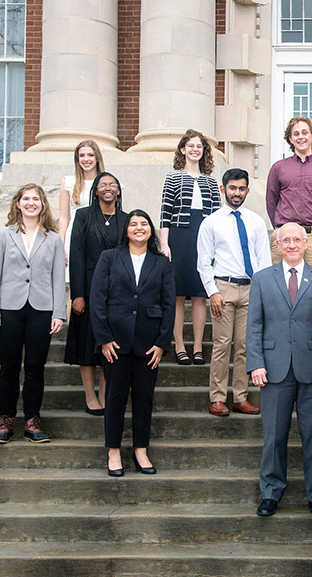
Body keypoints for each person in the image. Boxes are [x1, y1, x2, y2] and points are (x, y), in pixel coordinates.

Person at [247, 223, 312, 517]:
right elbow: (254, 327)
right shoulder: (261, 280)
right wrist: (256, 363)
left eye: (296, 239)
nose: (291, 244)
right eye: (285, 240)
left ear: (306, 242)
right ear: (278, 243)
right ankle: (271, 493)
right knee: (273, 436)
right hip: (273, 370)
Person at [91, 209, 175, 477]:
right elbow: (97, 300)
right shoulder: (109, 258)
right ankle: (113, 450)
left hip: (149, 345)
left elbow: (169, 305)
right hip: (115, 342)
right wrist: (104, 338)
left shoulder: (161, 262)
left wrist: (162, 343)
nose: (139, 228)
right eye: (133, 224)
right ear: (126, 230)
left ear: (151, 230)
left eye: (144, 224)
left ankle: (141, 449)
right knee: (114, 398)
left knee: (144, 399)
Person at [0, 184, 66, 444]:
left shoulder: (53, 238)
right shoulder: (2, 235)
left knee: (34, 368)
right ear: (18, 203)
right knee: (8, 367)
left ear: (43, 204)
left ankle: (32, 422)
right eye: (26, 199)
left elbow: (57, 278)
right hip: (9, 309)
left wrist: (59, 312)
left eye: (36, 199)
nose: (31, 203)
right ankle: (5, 421)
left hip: (41, 310)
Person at [197, 168, 271, 417]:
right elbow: (203, 261)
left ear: (247, 191)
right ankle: (217, 398)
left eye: (241, 188)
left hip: (251, 288)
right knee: (222, 344)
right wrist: (212, 291)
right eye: (232, 188)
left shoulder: (255, 221)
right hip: (223, 288)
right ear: (223, 189)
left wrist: (262, 291)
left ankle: (240, 397)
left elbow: (263, 259)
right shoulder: (211, 222)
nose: (237, 193)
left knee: (244, 345)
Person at [64, 172, 126, 415]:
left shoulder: (126, 218)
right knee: (86, 345)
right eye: (103, 185)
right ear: (96, 190)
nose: (108, 188)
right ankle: (90, 394)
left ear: (118, 191)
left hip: (117, 294)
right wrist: (77, 294)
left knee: (110, 347)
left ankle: (104, 393)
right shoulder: (83, 216)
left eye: (113, 184)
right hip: (88, 292)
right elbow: (76, 254)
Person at [159, 129, 221, 366]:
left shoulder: (211, 181)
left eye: (200, 146)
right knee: (177, 294)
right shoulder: (172, 178)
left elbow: (217, 217)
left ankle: (197, 346)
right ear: (183, 149)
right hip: (179, 237)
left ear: (204, 151)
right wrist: (164, 243)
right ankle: (179, 345)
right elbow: (165, 212)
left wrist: (216, 247)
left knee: (199, 294)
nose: (195, 149)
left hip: (203, 237)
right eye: (191, 145)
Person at [266, 116, 312, 269]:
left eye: (305, 133)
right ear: (290, 139)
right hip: (284, 235)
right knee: (281, 285)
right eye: (296, 133)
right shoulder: (278, 168)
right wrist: (281, 229)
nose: (301, 137)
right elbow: (271, 201)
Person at [58, 140, 105, 276]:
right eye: (81, 155)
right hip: (75, 235)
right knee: (74, 283)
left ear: (97, 157)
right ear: (77, 159)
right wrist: (61, 245)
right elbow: (63, 217)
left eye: (90, 155)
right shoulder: (68, 182)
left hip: (100, 235)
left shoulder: (107, 182)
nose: (86, 159)